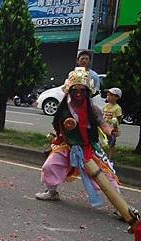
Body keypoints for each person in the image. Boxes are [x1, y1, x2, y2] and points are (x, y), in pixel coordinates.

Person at [36, 68, 119, 204]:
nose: (79, 94)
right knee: (50, 165)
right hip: (67, 146)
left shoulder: (93, 109)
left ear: (87, 92)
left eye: (82, 90)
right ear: (69, 92)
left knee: (107, 176)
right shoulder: (63, 109)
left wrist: (111, 131)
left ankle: (119, 205)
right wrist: (55, 137)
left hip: (89, 148)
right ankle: (52, 192)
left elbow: (103, 123)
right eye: (75, 91)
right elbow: (58, 125)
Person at [103, 87, 123, 161]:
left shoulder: (117, 108)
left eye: (111, 95)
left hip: (112, 129)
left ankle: (110, 158)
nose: (108, 97)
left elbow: (119, 118)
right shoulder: (106, 106)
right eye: (107, 95)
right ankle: (102, 156)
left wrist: (116, 127)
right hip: (104, 127)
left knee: (111, 143)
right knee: (102, 142)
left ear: (117, 97)